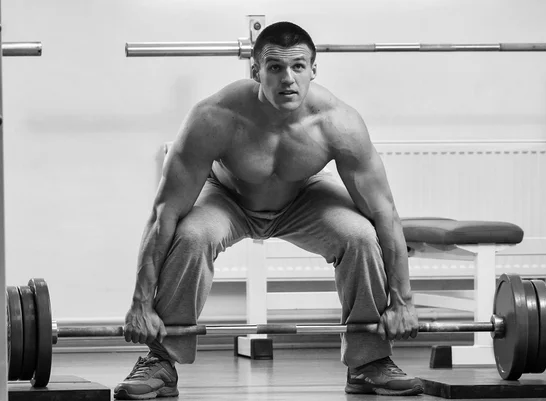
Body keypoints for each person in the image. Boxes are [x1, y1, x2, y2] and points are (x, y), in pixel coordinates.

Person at [113, 21, 423, 399]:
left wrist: (403, 301)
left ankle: (368, 362)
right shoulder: (215, 117)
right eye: (275, 67)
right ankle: (160, 360)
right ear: (256, 70)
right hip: (229, 196)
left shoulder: (338, 123)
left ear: (314, 70)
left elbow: (384, 213)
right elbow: (164, 214)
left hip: (302, 197)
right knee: (191, 235)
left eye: (297, 67)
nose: (287, 79)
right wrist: (140, 303)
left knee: (360, 235)